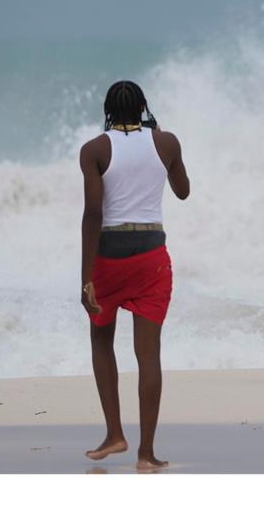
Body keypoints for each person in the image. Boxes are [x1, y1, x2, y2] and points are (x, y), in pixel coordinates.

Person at [79, 80, 190, 469]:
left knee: (101, 339)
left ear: (107, 109)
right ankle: (147, 454)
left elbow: (93, 213)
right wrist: (158, 137)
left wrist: (85, 276)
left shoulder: (94, 149)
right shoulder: (166, 143)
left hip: (108, 257)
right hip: (151, 258)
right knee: (149, 356)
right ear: (143, 106)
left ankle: (115, 433)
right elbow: (183, 191)